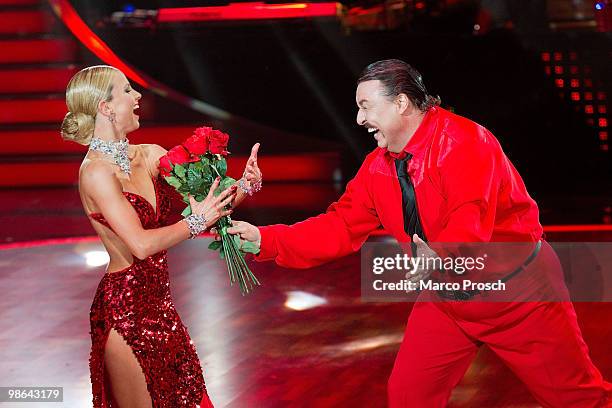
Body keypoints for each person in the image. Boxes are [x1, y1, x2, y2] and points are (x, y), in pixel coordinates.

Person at [226, 59, 612, 407]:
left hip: (519, 295)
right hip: (447, 299)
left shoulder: (465, 142)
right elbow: (341, 225)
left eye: (365, 106)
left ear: (401, 103)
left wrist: (441, 256)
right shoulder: (378, 166)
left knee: (575, 398)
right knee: (410, 396)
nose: (359, 119)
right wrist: (268, 240)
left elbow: (469, 215)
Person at [61, 65, 262, 407]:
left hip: (162, 308)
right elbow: (141, 244)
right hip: (124, 313)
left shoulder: (151, 154)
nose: (137, 96)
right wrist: (197, 222)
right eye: (127, 90)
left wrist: (245, 185)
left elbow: (204, 204)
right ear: (105, 107)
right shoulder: (95, 172)